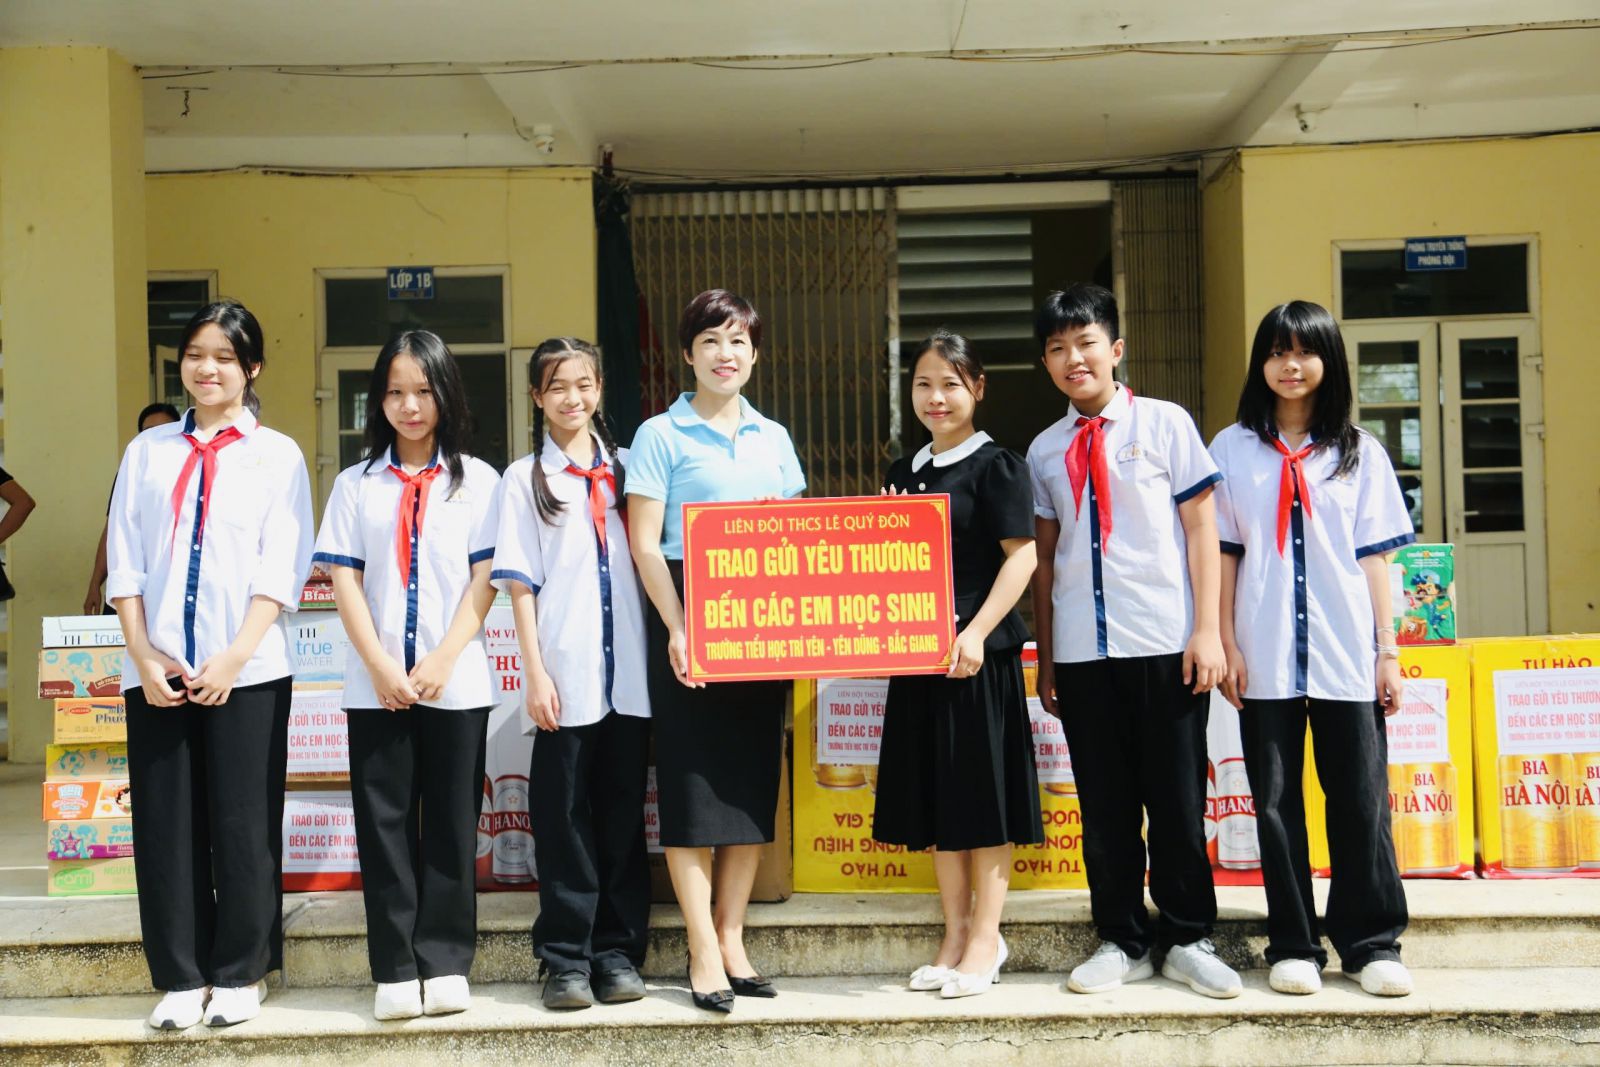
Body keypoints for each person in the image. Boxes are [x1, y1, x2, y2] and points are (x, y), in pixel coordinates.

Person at [1026, 283, 1241, 1000]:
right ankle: (1121, 937)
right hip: (1084, 654)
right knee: (1106, 807)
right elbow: (1046, 558)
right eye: (1057, 348)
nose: (1073, 358)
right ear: (1046, 363)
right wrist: (1048, 658)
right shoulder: (1045, 450)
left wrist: (1207, 630)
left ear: (1115, 349)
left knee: (1177, 801)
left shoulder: (1166, 424)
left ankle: (1188, 937)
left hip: (1164, 642)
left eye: (1086, 342)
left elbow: (1203, 528)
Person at [106, 300, 314, 1030]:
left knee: (243, 821)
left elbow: (281, 567)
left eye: (225, 356)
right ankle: (180, 975)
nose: (207, 368)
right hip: (154, 669)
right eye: (196, 353)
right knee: (166, 826)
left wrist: (232, 656)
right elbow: (125, 559)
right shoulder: (147, 451)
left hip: (247, 668)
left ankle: (241, 972)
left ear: (252, 368)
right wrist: (142, 652)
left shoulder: (277, 454)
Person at [1212, 300, 1414, 997]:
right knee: (1273, 803)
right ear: (1260, 364)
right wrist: (1227, 640)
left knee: (1359, 799)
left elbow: (1374, 559)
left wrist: (1387, 652)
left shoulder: (1359, 451)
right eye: (1277, 352)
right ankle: (1294, 942)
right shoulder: (1230, 449)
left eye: (1304, 351)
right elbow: (1226, 553)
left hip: (1344, 653)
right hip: (1264, 652)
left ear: (1329, 361)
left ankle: (1370, 943)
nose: (1290, 365)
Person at [312, 330, 500, 1021]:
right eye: (395, 392)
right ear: (378, 400)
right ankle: (393, 968)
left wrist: (444, 656)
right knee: (383, 826)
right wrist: (380, 665)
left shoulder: (480, 481)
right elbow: (344, 580)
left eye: (423, 391)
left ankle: (445, 962)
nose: (410, 406)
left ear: (446, 393)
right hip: (377, 686)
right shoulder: (354, 485)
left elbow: (485, 580)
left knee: (451, 822)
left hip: (458, 681)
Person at [627, 289, 805, 1013]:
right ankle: (701, 947)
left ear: (754, 354)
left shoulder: (774, 437)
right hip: (689, 616)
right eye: (710, 341)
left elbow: (797, 534)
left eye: (737, 341)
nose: (724, 354)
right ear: (688, 354)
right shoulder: (658, 434)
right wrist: (677, 626)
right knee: (693, 787)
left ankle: (732, 939)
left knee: (749, 784)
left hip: (761, 624)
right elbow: (645, 542)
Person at [872, 330, 1040, 999]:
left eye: (950, 383)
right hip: (919, 658)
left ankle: (985, 939)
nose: (936, 397)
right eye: (923, 384)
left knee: (983, 801)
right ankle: (954, 933)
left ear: (978, 388)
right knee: (940, 801)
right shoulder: (902, 469)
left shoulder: (999, 466)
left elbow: (1022, 556)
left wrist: (977, 632)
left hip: (978, 656)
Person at [491, 338, 652, 1012]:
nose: (571, 398)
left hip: (632, 673)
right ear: (536, 396)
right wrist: (535, 673)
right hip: (565, 671)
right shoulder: (523, 478)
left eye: (583, 384)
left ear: (600, 388)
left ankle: (617, 953)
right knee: (562, 819)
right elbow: (519, 584)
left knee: (622, 814)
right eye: (556, 386)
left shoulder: (632, 469)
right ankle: (565, 958)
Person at [84, 403, 182, 614]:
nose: (157, 437)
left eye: (164, 430)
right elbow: (113, 529)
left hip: (175, 588)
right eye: (149, 432)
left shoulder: (197, 468)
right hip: (131, 586)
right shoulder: (131, 471)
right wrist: (95, 583)